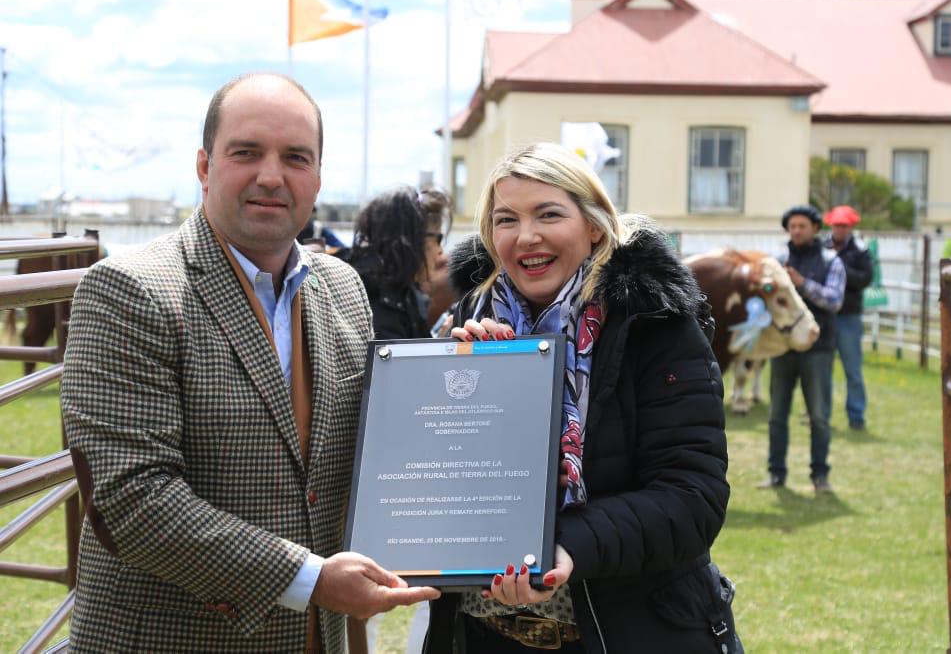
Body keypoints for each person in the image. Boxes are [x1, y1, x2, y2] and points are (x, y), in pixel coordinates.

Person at [60, 73, 438, 652]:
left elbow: (377, 452)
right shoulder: (129, 290)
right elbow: (132, 500)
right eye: (246, 152)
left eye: (295, 157)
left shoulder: (342, 288)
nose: (271, 175)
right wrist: (310, 580)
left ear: (316, 177)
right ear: (205, 166)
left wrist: (473, 364)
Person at [425, 142, 735, 653]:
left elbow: (692, 500)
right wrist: (452, 394)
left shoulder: (656, 326)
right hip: (483, 635)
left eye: (549, 214)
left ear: (593, 226)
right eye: (506, 220)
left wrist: (569, 545)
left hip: (623, 634)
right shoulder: (471, 326)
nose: (527, 236)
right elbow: (446, 487)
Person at [760, 204, 846, 494]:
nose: (796, 231)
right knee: (776, 415)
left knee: (819, 417)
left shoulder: (831, 261)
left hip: (818, 349)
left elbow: (834, 301)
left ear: (816, 229)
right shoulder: (778, 261)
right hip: (783, 348)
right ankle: (776, 474)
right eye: (792, 226)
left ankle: (820, 476)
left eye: (802, 226)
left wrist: (801, 284)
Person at [342, 186, 452, 339]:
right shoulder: (378, 303)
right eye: (438, 239)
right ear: (413, 238)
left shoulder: (405, 291)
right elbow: (394, 361)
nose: (440, 251)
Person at [824, 205, 873, 431]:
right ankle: (820, 414)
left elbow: (865, 279)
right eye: (836, 225)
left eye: (843, 226)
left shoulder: (860, 250)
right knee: (822, 369)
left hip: (849, 317)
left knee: (852, 370)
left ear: (850, 227)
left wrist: (838, 266)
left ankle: (856, 415)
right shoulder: (821, 247)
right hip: (825, 316)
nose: (839, 229)